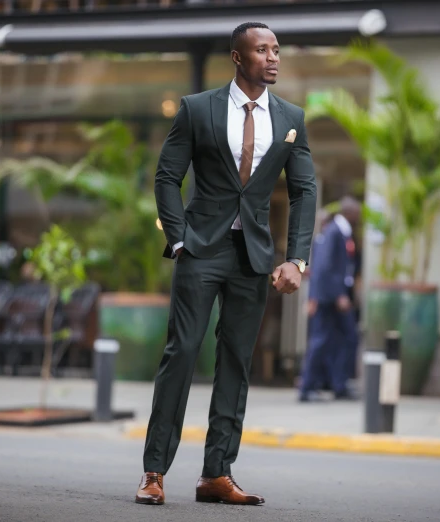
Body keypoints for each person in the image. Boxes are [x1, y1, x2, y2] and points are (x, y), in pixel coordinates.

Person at [136, 22, 317, 507]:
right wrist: (178, 241)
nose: (273, 57)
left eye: (276, 49)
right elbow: (167, 176)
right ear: (238, 58)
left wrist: (296, 258)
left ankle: (217, 474)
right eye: (262, 50)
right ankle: (154, 471)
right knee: (183, 354)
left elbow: (304, 191)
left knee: (236, 362)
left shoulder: (291, 117)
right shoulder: (198, 109)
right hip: (201, 249)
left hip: (252, 257)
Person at [298, 196, 361, 402]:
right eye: (357, 213)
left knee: (346, 338)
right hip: (330, 298)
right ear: (349, 213)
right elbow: (323, 268)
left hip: (334, 296)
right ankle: (307, 388)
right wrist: (338, 295)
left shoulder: (343, 233)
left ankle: (339, 385)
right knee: (321, 340)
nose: (359, 217)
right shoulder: (334, 232)